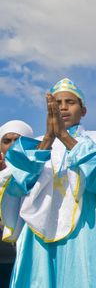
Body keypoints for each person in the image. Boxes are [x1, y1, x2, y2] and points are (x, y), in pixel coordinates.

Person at [0, 78, 96, 287]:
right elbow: (17, 184)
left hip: (81, 226)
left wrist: (65, 137)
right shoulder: (36, 143)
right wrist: (48, 138)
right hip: (37, 230)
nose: (63, 107)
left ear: (83, 111)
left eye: (70, 102)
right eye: (57, 103)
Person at [0, 121, 34, 286]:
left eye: (18, 140)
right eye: (7, 141)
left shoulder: (43, 172)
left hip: (29, 259)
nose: (13, 145)